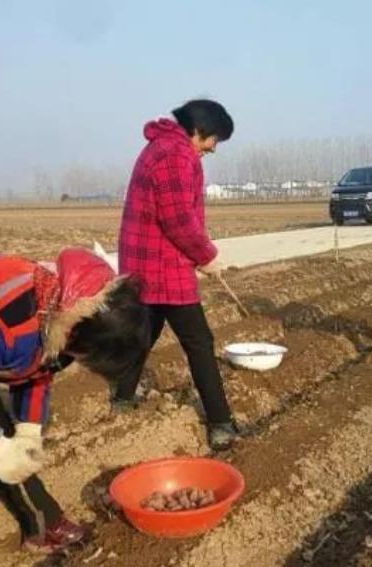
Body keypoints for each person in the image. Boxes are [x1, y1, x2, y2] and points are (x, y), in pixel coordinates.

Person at [0, 248, 151, 552]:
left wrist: (30, 427)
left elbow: (37, 369)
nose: (80, 364)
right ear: (76, 335)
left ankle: (42, 524)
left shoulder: (69, 314)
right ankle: (43, 528)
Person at [116, 99, 239, 450]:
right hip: (161, 264)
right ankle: (220, 423)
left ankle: (123, 397)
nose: (213, 148)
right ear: (198, 130)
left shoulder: (161, 146)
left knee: (145, 331)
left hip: (146, 261)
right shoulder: (175, 153)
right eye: (213, 140)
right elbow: (178, 219)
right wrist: (206, 256)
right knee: (199, 342)